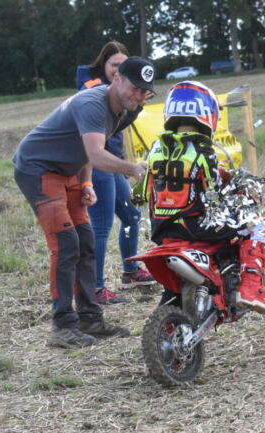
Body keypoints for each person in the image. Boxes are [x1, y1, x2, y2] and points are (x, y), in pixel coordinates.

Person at [13, 56, 154, 348]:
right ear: (116, 79)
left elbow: (90, 150)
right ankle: (62, 326)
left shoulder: (127, 110)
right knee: (65, 244)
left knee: (85, 241)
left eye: (145, 91)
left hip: (69, 171)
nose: (139, 96)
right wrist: (132, 169)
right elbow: (98, 154)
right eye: (134, 87)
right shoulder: (92, 103)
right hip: (38, 167)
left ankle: (90, 317)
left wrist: (86, 182)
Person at [137, 81, 265, 315]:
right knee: (254, 228)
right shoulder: (204, 150)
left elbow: (141, 193)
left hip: (161, 230)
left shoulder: (155, 148)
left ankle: (173, 308)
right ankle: (252, 289)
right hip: (193, 226)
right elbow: (213, 194)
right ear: (206, 113)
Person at [77, 41, 154, 305]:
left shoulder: (127, 94)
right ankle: (95, 289)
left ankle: (130, 271)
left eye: (123, 65)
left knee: (132, 215)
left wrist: (138, 102)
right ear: (105, 67)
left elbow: (124, 120)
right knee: (100, 226)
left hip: (115, 162)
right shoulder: (94, 91)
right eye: (114, 65)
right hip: (98, 163)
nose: (117, 70)